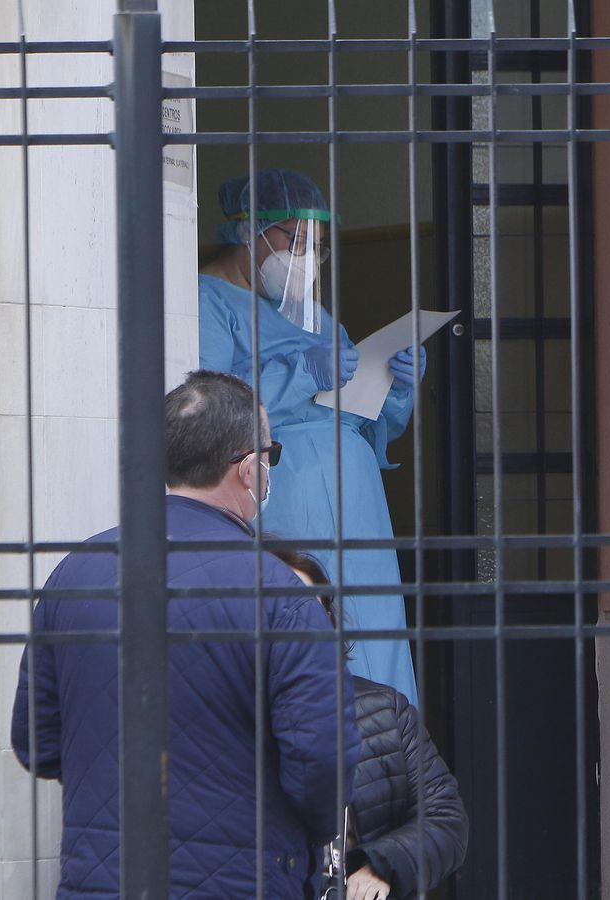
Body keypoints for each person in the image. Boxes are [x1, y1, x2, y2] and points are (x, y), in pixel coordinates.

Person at [10, 370, 361, 897]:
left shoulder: (76, 572)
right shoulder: (277, 593)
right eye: (272, 456)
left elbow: (36, 742)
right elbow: (322, 762)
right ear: (249, 469)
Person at [199, 167, 424, 702]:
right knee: (306, 629)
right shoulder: (205, 301)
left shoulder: (315, 317)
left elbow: (351, 414)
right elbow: (208, 407)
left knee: (376, 632)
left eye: (318, 247)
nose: (306, 258)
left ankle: (388, 762)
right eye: (295, 240)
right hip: (285, 495)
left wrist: (391, 386)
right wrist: (301, 373)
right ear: (246, 228)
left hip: (357, 506)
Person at [274, 549, 469, 900]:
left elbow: (446, 820)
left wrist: (383, 864)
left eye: (312, 612)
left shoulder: (384, 711)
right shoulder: (223, 717)